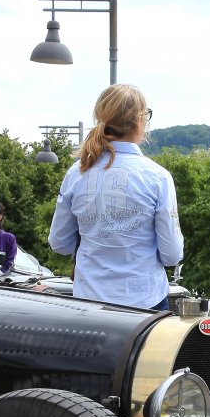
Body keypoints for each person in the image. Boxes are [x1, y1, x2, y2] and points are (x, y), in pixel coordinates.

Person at [48, 85, 183, 310]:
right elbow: (171, 255)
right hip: (145, 301)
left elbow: (59, 243)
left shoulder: (77, 172)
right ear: (139, 120)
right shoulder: (157, 177)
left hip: (88, 301)